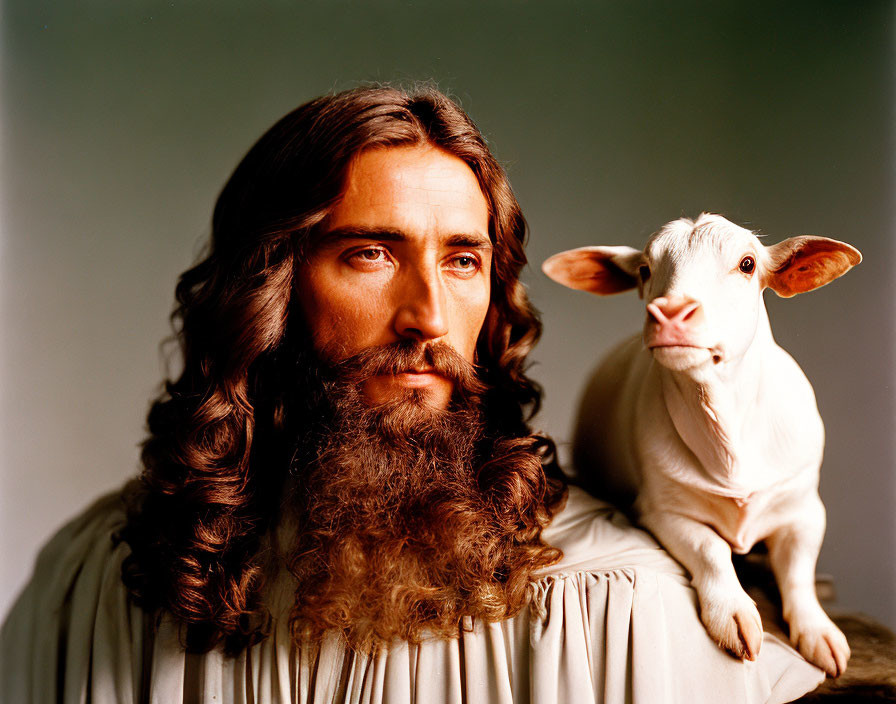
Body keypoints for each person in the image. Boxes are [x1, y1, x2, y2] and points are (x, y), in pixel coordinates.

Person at [1, 85, 825, 703]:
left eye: (464, 260)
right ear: (267, 286)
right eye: (370, 253)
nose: (428, 316)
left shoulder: (610, 602)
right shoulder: (93, 579)